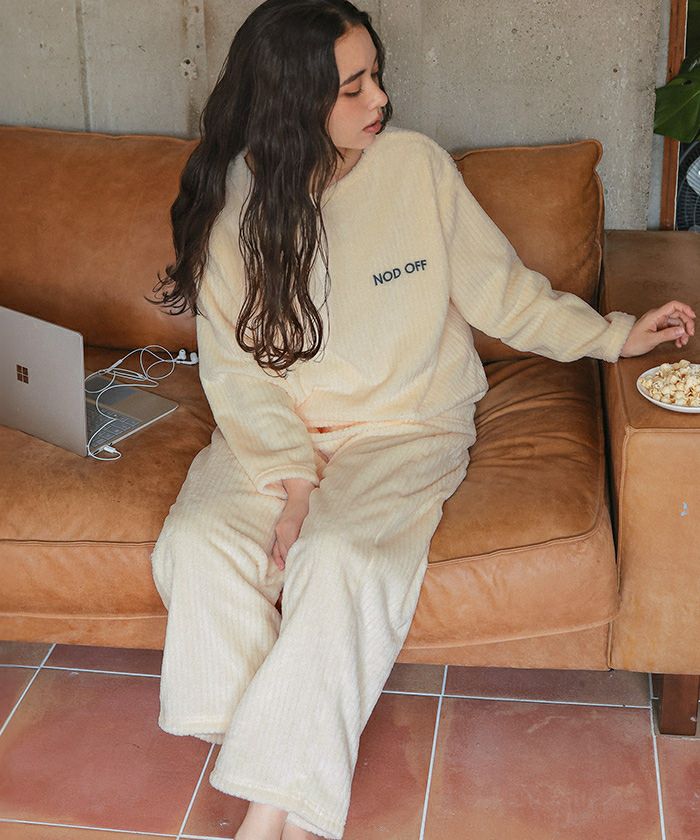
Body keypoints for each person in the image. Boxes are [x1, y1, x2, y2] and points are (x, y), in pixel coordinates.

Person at [150, 1, 696, 838]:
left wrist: (614, 336)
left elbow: (503, 294)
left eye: (376, 75)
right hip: (279, 427)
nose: (379, 100)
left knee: (340, 557)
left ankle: (267, 814)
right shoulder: (234, 201)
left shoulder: (416, 168)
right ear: (293, 102)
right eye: (353, 87)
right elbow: (236, 370)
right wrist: (294, 485)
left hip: (407, 425)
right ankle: (277, 756)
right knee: (198, 544)